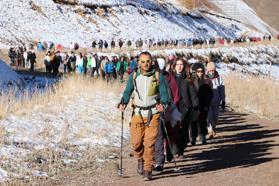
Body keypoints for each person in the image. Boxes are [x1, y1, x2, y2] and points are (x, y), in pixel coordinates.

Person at [118, 52, 169, 181]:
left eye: (148, 61)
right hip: (138, 113)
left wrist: (162, 104)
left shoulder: (158, 76)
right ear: (138, 63)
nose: (146, 64)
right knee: (136, 143)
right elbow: (128, 91)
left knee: (150, 143)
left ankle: (148, 169)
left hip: (153, 114)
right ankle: (140, 159)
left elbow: (164, 94)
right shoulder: (134, 76)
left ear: (151, 62)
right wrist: (123, 101)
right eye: (143, 61)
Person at [154, 58, 180, 172]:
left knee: (169, 132)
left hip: (168, 108)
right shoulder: (150, 78)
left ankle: (170, 152)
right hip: (154, 110)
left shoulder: (168, 78)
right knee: (159, 135)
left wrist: (170, 106)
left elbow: (174, 94)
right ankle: (158, 160)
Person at [173, 58, 198, 158]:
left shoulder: (188, 79)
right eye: (177, 64)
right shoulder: (171, 78)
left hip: (185, 108)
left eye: (181, 64)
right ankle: (175, 148)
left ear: (184, 66)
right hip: (173, 107)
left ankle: (181, 150)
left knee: (183, 129)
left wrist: (194, 106)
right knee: (174, 129)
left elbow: (193, 94)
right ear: (174, 66)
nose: (179, 66)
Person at [191, 63, 213, 144]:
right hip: (195, 104)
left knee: (203, 121)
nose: (200, 73)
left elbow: (210, 93)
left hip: (204, 104)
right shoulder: (192, 80)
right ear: (195, 72)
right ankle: (193, 138)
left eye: (201, 71)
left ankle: (203, 137)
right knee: (193, 122)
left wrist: (207, 104)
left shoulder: (207, 80)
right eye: (198, 71)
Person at [206, 61, 226, 138]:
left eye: (213, 70)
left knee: (215, 118)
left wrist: (223, 100)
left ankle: (213, 128)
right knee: (209, 117)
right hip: (207, 102)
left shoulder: (219, 78)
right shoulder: (205, 78)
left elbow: (222, 90)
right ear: (208, 70)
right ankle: (210, 131)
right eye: (210, 70)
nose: (211, 72)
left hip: (216, 101)